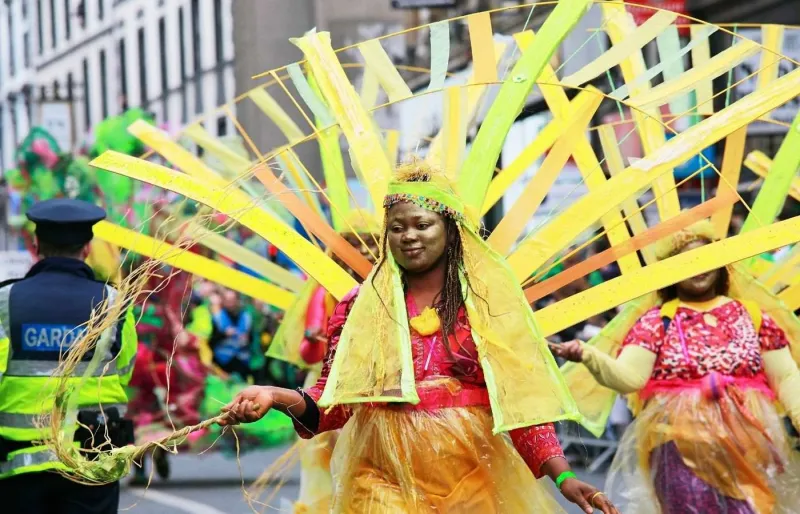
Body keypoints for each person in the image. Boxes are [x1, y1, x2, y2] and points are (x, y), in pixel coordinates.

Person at [221, 164, 618, 514]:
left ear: (450, 230)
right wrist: (274, 395)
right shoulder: (360, 307)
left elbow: (520, 408)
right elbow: (332, 408)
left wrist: (564, 477)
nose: (409, 236)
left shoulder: (485, 306)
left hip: (472, 477)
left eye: (422, 224)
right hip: (380, 479)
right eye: (397, 228)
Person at [551, 221, 800, 513]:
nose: (698, 268)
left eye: (704, 259)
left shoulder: (753, 316)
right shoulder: (656, 321)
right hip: (678, 449)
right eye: (686, 262)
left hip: (748, 448)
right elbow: (629, 377)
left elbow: (785, 376)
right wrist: (587, 355)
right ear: (671, 270)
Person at [0, 198, 137, 514]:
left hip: (18, 470)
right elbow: (124, 370)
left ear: (36, 245)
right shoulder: (115, 305)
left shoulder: (6, 302)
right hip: (91, 466)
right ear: (87, 248)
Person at [210, 290, 254, 380]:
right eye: (228, 300)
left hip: (241, 362)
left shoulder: (247, 317)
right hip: (222, 362)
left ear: (237, 300)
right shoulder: (217, 317)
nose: (230, 303)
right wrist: (224, 334)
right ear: (223, 301)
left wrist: (247, 338)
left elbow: (253, 339)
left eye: (233, 300)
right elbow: (211, 341)